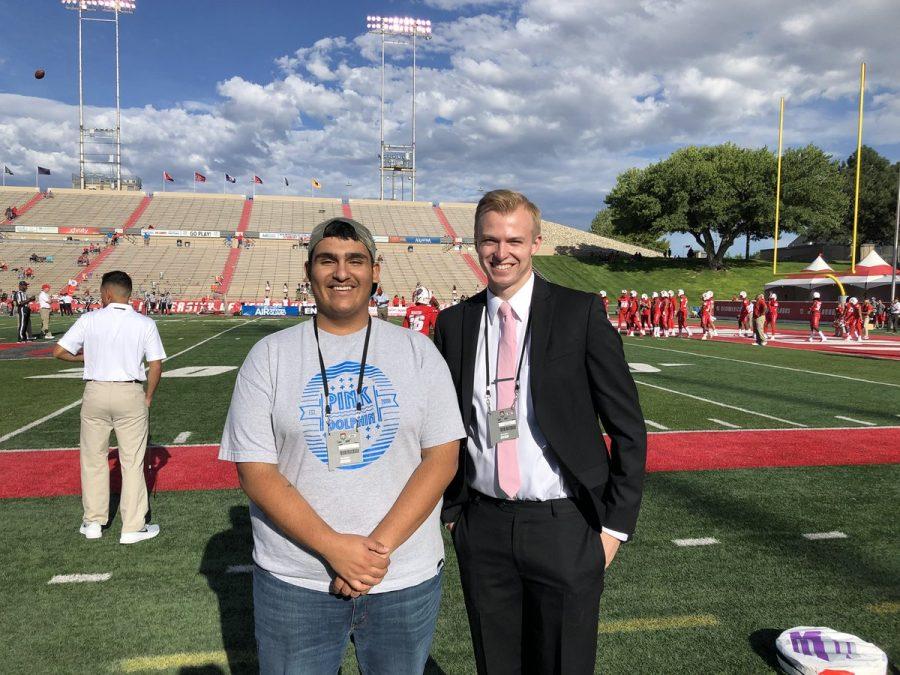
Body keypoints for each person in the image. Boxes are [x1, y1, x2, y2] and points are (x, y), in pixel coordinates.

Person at [219, 217, 465, 674]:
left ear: (375, 270)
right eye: (327, 260)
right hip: (297, 579)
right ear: (308, 271)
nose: (341, 272)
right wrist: (333, 547)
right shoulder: (268, 356)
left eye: (355, 260)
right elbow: (255, 472)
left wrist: (375, 551)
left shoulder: (419, 352)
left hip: (401, 575)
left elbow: (442, 458)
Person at [433, 190, 646, 674]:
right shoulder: (454, 323)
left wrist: (613, 529)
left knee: (564, 664)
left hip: (565, 524)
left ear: (535, 244)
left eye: (514, 240)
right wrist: (454, 512)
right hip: (482, 524)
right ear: (475, 243)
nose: (501, 252)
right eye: (489, 239)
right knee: (498, 663)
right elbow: (442, 427)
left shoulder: (580, 312)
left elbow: (628, 427)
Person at [53, 271, 166, 544]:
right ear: (128, 294)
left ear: (106, 293)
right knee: (133, 461)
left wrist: (86, 359)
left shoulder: (89, 319)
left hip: (96, 391)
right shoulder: (144, 322)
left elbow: (59, 351)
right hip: (130, 392)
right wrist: (148, 397)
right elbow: (155, 365)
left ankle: (93, 522)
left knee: (93, 459)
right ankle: (132, 527)